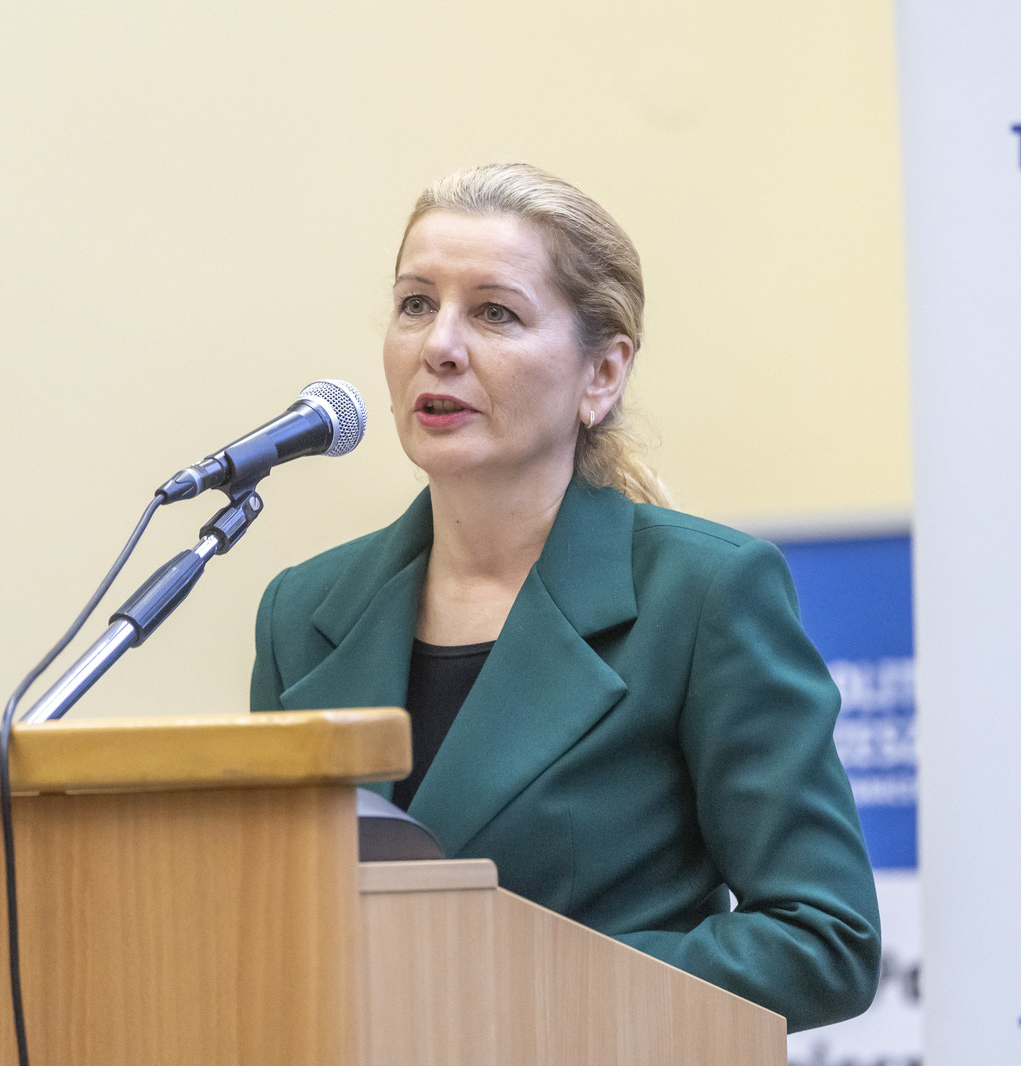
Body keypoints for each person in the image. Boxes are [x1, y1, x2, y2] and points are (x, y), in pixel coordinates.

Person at [250, 162, 880, 1031]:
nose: (440, 346)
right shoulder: (302, 612)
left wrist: (533, 982)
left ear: (602, 374)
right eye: (415, 304)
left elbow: (825, 941)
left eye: (495, 313)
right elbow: (276, 917)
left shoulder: (701, 595)